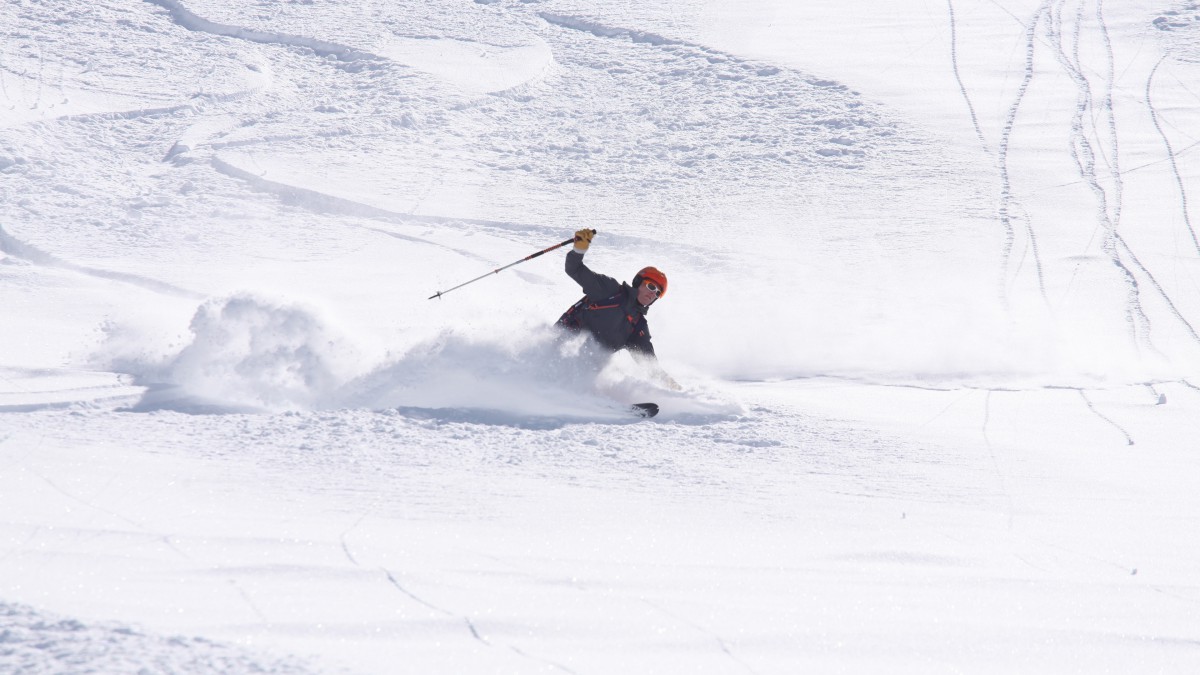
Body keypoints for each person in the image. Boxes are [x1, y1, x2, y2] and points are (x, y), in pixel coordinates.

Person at [556, 229, 680, 390]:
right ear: (638, 282)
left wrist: (673, 387)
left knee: (589, 374)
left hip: (584, 371)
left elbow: (649, 364)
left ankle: (587, 398)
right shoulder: (610, 290)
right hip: (559, 347)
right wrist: (579, 249)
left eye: (657, 293)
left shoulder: (637, 327)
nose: (653, 293)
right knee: (563, 365)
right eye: (651, 286)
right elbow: (574, 269)